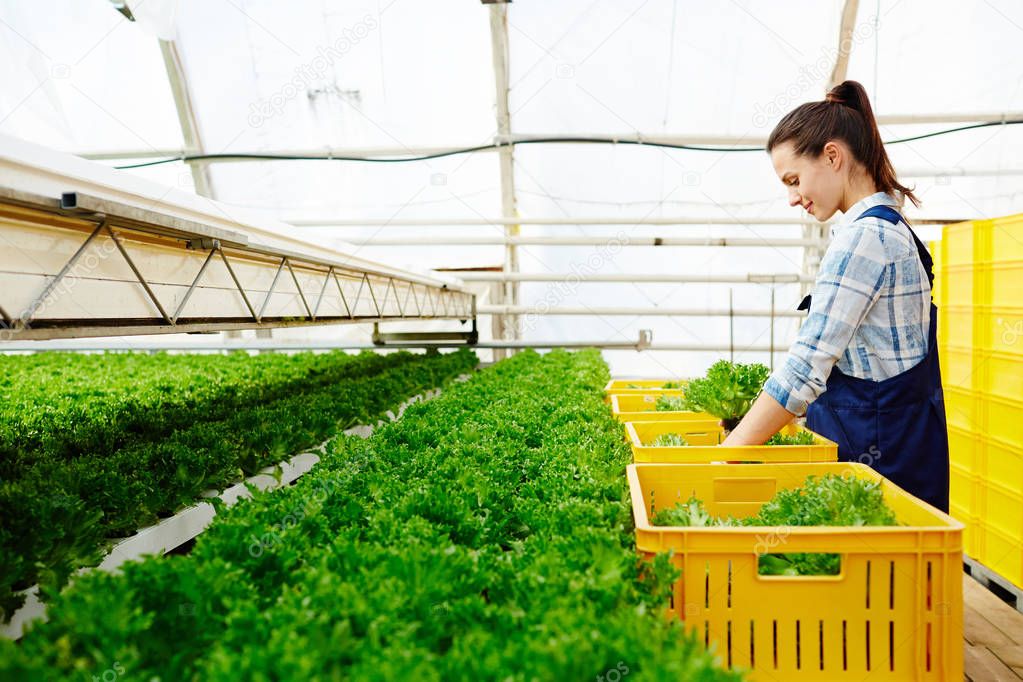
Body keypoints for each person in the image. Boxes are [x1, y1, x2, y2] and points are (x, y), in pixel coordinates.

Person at [720, 80, 950, 512]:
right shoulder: (894, 228)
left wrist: (723, 455)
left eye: (793, 180)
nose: (791, 198)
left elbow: (805, 370)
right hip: (905, 456)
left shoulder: (864, 238)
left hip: (877, 470)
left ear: (832, 156)